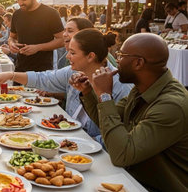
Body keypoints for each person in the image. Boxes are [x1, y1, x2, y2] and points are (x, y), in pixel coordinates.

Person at [70, 33, 188, 192]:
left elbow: (121, 154)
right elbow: (106, 123)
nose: (116, 60)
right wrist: (88, 93)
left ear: (138, 63)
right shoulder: (141, 88)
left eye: (121, 55)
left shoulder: (171, 105)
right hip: (131, 178)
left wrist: (105, 96)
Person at [0, 29, 132, 144]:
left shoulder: (121, 86)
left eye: (72, 53)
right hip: (66, 135)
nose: (67, 57)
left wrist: (86, 142)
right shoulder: (73, 72)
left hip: (92, 149)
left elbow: (121, 133)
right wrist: (10, 75)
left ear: (90, 56)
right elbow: (44, 78)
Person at [8, 0, 64, 74]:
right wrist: (11, 44)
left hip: (42, 71)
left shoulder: (51, 13)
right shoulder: (16, 14)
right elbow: (11, 37)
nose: (20, 3)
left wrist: (38, 47)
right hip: (20, 68)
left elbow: (62, 40)